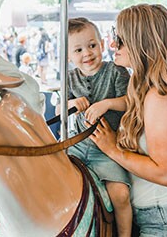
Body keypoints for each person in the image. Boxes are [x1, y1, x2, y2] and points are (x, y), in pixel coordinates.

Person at [87, 4, 167, 236]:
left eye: (119, 39)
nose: (112, 46)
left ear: (141, 43)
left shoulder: (159, 97)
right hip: (153, 213)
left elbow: (166, 174)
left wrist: (113, 149)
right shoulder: (142, 88)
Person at [57, 17, 132, 237]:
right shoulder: (69, 79)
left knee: (120, 194)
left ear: (101, 44)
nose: (87, 54)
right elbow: (61, 110)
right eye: (78, 50)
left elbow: (130, 101)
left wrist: (107, 104)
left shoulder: (116, 71)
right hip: (78, 143)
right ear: (69, 56)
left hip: (107, 149)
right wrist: (71, 103)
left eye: (91, 46)